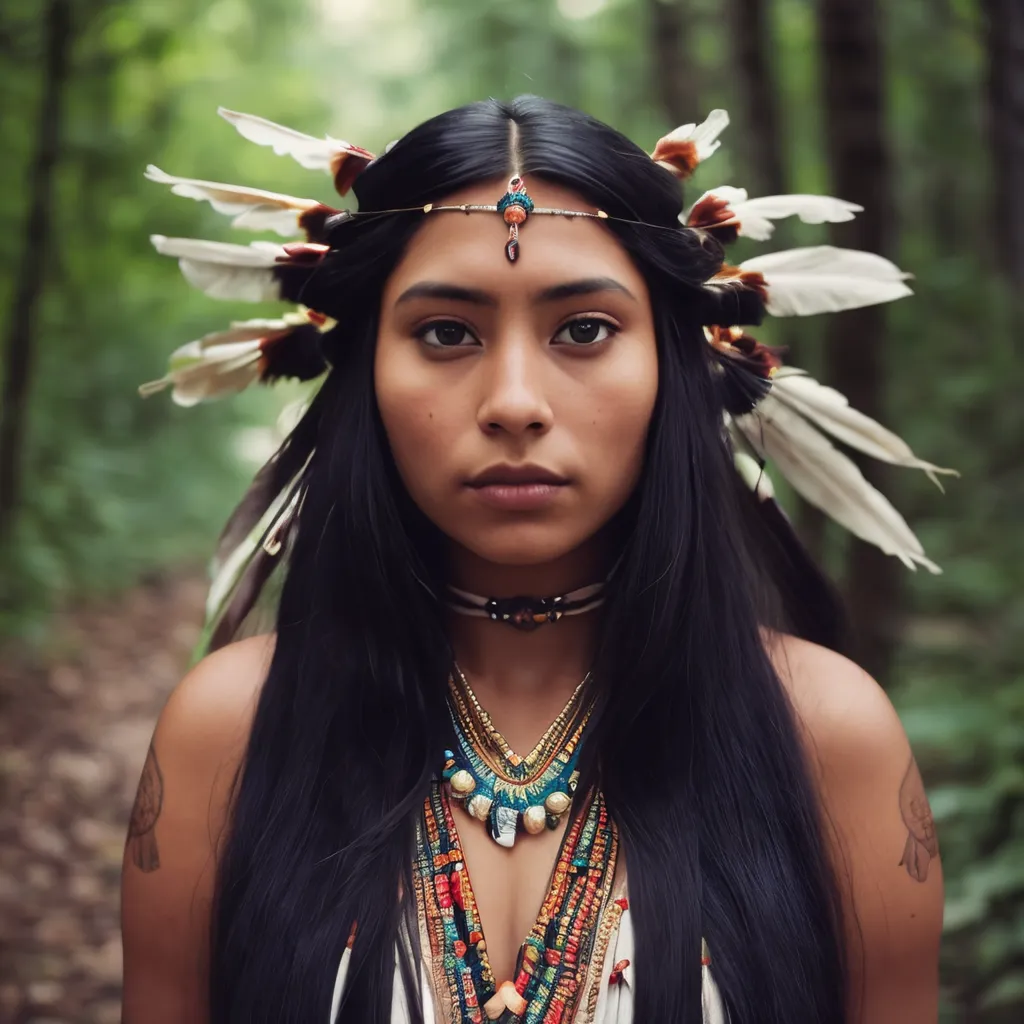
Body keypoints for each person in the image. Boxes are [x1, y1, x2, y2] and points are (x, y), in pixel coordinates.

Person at [120, 96, 946, 1024]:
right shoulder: (225, 733)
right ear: (364, 372)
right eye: (446, 333)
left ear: (674, 367)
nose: (514, 401)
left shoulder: (830, 736)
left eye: (584, 330)